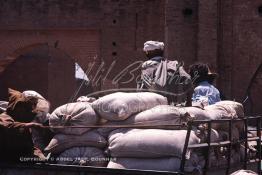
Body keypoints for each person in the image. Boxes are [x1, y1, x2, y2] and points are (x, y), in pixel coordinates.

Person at [137, 41, 193, 106]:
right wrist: (189, 102)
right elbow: (188, 79)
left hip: (152, 108)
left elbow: (141, 90)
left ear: (148, 52)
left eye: (146, 52)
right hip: (173, 105)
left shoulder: (146, 66)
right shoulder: (174, 64)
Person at [0, 88, 47, 162]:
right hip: (6, 159)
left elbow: (29, 146)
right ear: (16, 107)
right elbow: (8, 127)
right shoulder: (4, 117)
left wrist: (39, 154)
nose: (31, 110)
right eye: (25, 108)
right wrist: (31, 125)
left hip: (19, 160)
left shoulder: (23, 124)